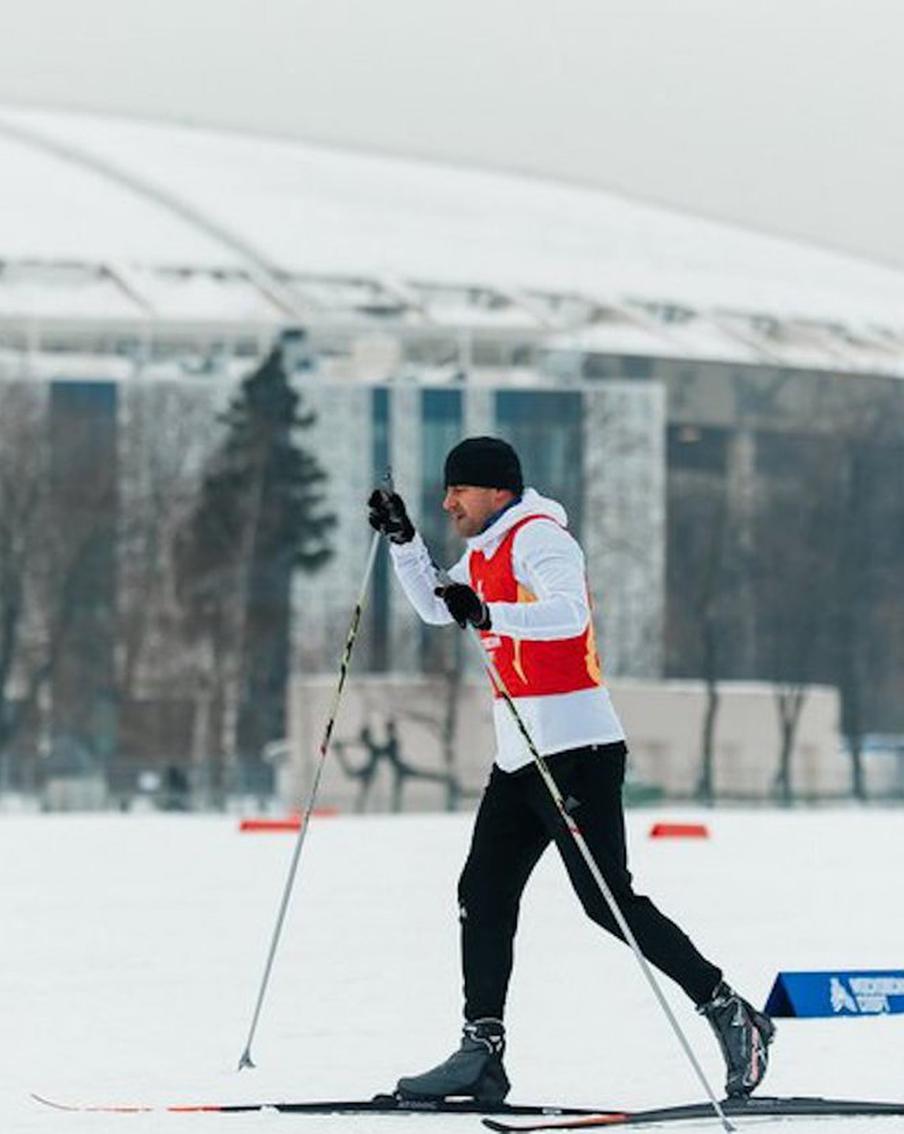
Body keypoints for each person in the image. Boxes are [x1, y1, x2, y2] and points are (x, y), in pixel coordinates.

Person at [367, 436, 774, 1104]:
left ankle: (732, 1011)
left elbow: (569, 614)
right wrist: (405, 542)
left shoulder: (539, 536)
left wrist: (490, 610)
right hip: (518, 758)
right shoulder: (485, 548)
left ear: (497, 489)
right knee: (483, 894)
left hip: (577, 752)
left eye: (458, 491)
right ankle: (482, 1052)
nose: (449, 503)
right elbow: (440, 607)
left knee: (607, 902)